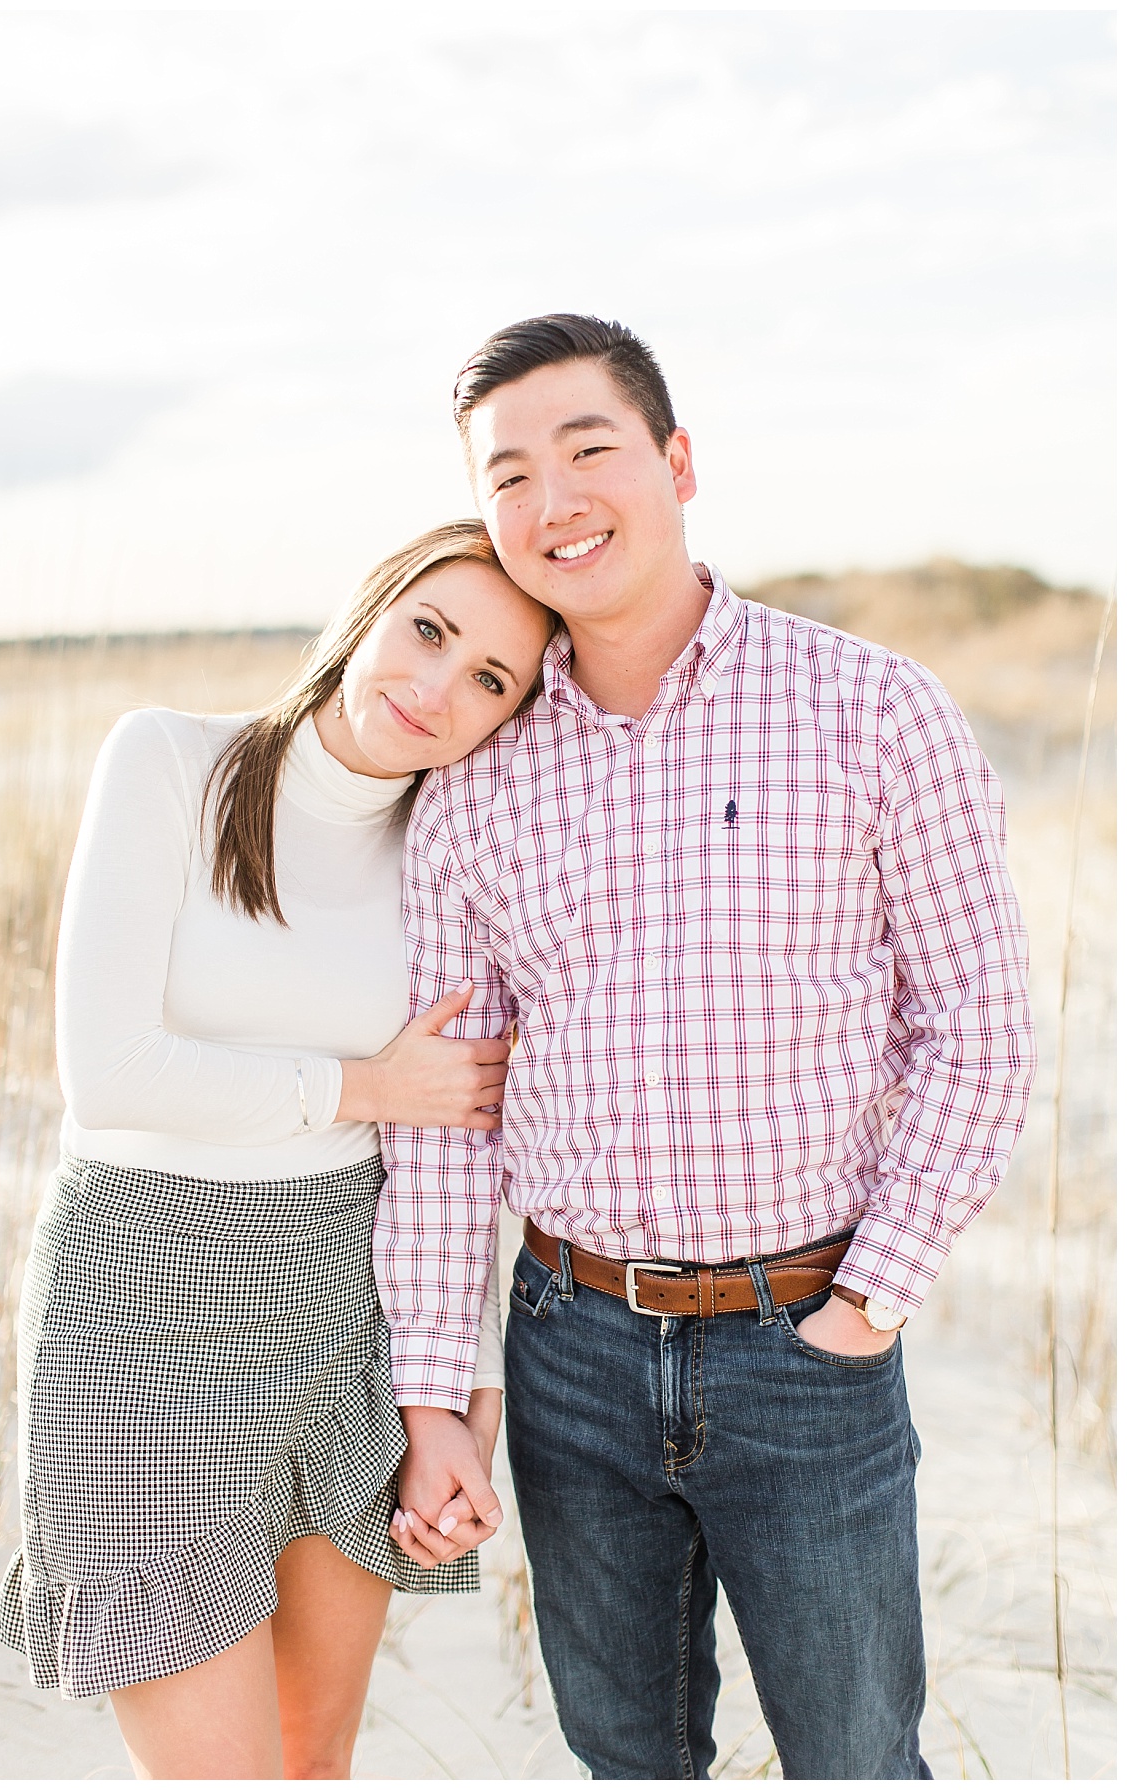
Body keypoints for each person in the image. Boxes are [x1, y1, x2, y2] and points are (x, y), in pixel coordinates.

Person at [376, 316, 1036, 1780]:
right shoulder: (476, 773)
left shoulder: (870, 708)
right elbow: (444, 1122)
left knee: (858, 1757)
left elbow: (979, 1029)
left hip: (806, 1339)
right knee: (628, 1758)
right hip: (570, 1350)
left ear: (676, 460)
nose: (554, 498)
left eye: (588, 447)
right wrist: (436, 1397)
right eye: (510, 474)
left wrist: (868, 1302)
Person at [0, 520, 553, 1781]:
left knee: (314, 1760)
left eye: (490, 680)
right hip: (138, 1304)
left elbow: (449, 1149)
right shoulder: (169, 762)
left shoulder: (447, 855)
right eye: (430, 630)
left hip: (338, 1304)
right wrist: (362, 1082)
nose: (437, 686)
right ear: (371, 607)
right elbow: (110, 1067)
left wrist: (463, 1392)